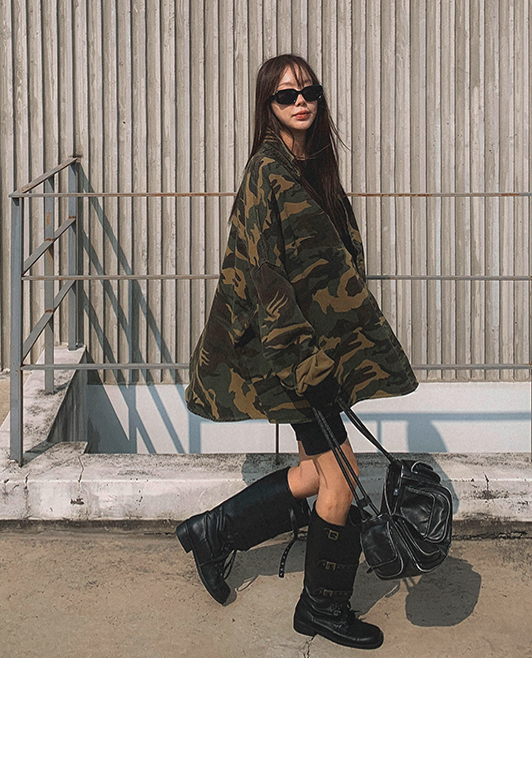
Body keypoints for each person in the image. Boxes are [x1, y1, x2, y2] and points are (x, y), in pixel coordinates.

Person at [178, 49, 416, 648]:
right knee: (341, 478)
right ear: (269, 105)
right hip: (294, 357)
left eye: (309, 92)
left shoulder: (311, 167)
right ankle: (321, 609)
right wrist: (308, 365)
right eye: (287, 95)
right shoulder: (267, 173)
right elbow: (267, 281)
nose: (301, 101)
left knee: (318, 470)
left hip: (315, 353)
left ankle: (214, 532)